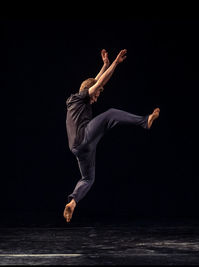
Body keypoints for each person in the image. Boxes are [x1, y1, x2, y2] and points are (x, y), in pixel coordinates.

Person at [63, 48, 160, 223]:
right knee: (111, 114)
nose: (96, 98)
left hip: (78, 148)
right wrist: (115, 63)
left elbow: (95, 81)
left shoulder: (74, 102)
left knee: (88, 178)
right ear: (89, 90)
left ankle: (72, 202)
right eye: (97, 94)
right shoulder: (78, 98)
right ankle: (144, 121)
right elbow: (97, 83)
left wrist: (104, 65)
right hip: (83, 137)